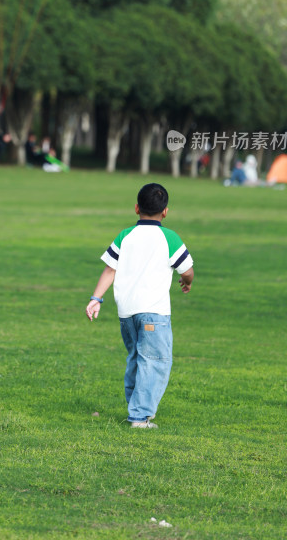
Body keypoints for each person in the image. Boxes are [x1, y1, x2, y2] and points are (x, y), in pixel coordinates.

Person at [85, 183, 194, 429]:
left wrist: (96, 298)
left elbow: (110, 269)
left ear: (136, 208)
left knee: (137, 357)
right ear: (165, 211)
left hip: (127, 313)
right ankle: (140, 417)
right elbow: (187, 270)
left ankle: (136, 407)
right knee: (155, 361)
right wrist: (186, 282)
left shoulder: (125, 236)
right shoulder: (170, 237)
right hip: (154, 313)